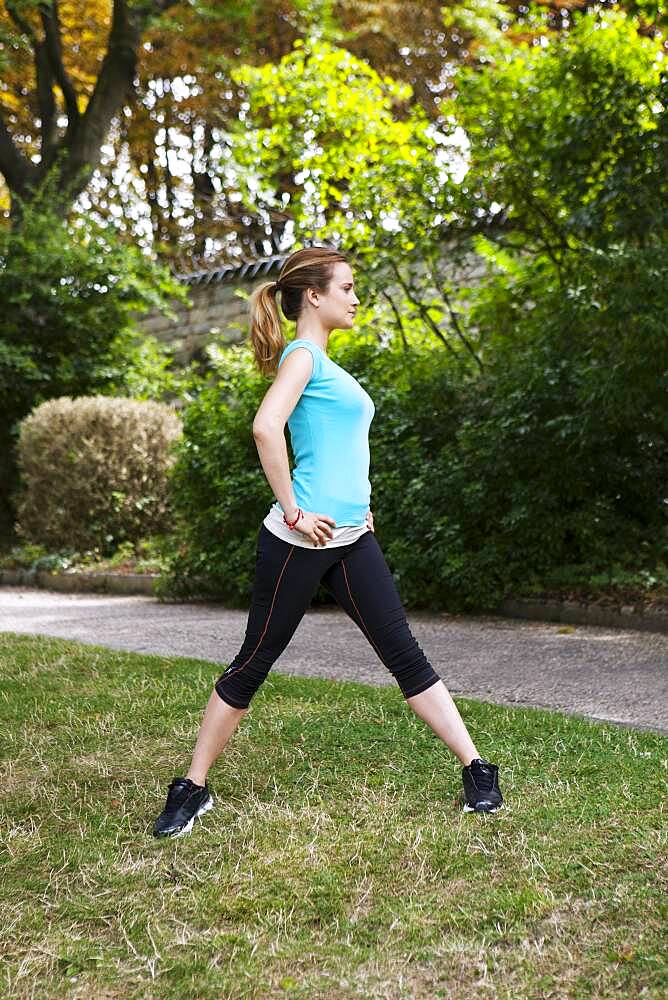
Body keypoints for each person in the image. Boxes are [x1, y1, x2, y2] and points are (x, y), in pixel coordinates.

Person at [153, 246, 503, 838]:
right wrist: (293, 512)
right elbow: (266, 426)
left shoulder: (327, 366)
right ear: (314, 296)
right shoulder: (304, 356)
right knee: (253, 663)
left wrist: (358, 505)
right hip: (299, 541)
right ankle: (191, 788)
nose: (356, 296)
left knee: (405, 654)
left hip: (351, 538)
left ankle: (477, 768)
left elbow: (335, 447)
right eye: (346, 287)